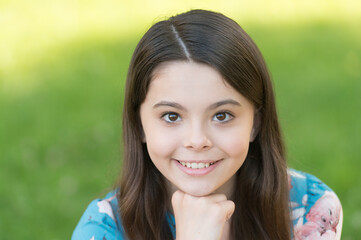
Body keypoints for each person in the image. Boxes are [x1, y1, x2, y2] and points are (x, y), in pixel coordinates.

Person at [72, 9, 343, 240]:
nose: (197, 139)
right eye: (172, 116)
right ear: (139, 125)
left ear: (256, 122)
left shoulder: (309, 208)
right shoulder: (103, 230)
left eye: (222, 115)